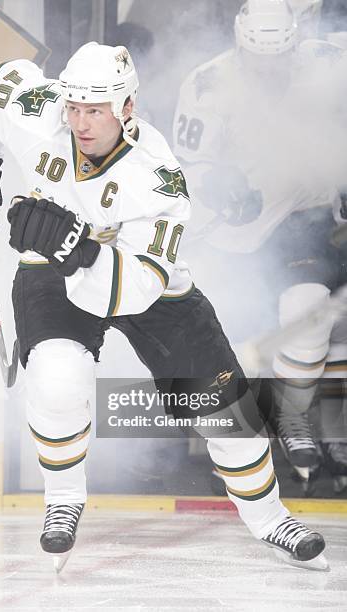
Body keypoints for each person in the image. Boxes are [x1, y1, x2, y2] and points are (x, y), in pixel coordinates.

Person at [0, 41, 327, 571]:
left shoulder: (160, 178)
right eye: (74, 107)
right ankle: (62, 501)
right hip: (52, 268)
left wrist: (78, 248)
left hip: (142, 278)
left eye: (95, 110)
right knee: (56, 379)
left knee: (227, 413)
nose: (79, 121)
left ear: (127, 107)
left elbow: (137, 288)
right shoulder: (38, 108)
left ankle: (269, 518)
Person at [173, 0, 347, 494]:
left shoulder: (331, 62)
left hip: (307, 215)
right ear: (238, 44)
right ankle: (240, 446)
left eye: (281, 56)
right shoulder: (207, 85)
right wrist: (216, 183)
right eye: (260, 59)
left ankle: (294, 415)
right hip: (235, 232)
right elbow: (185, 164)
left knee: (310, 311)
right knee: (233, 350)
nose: (271, 68)